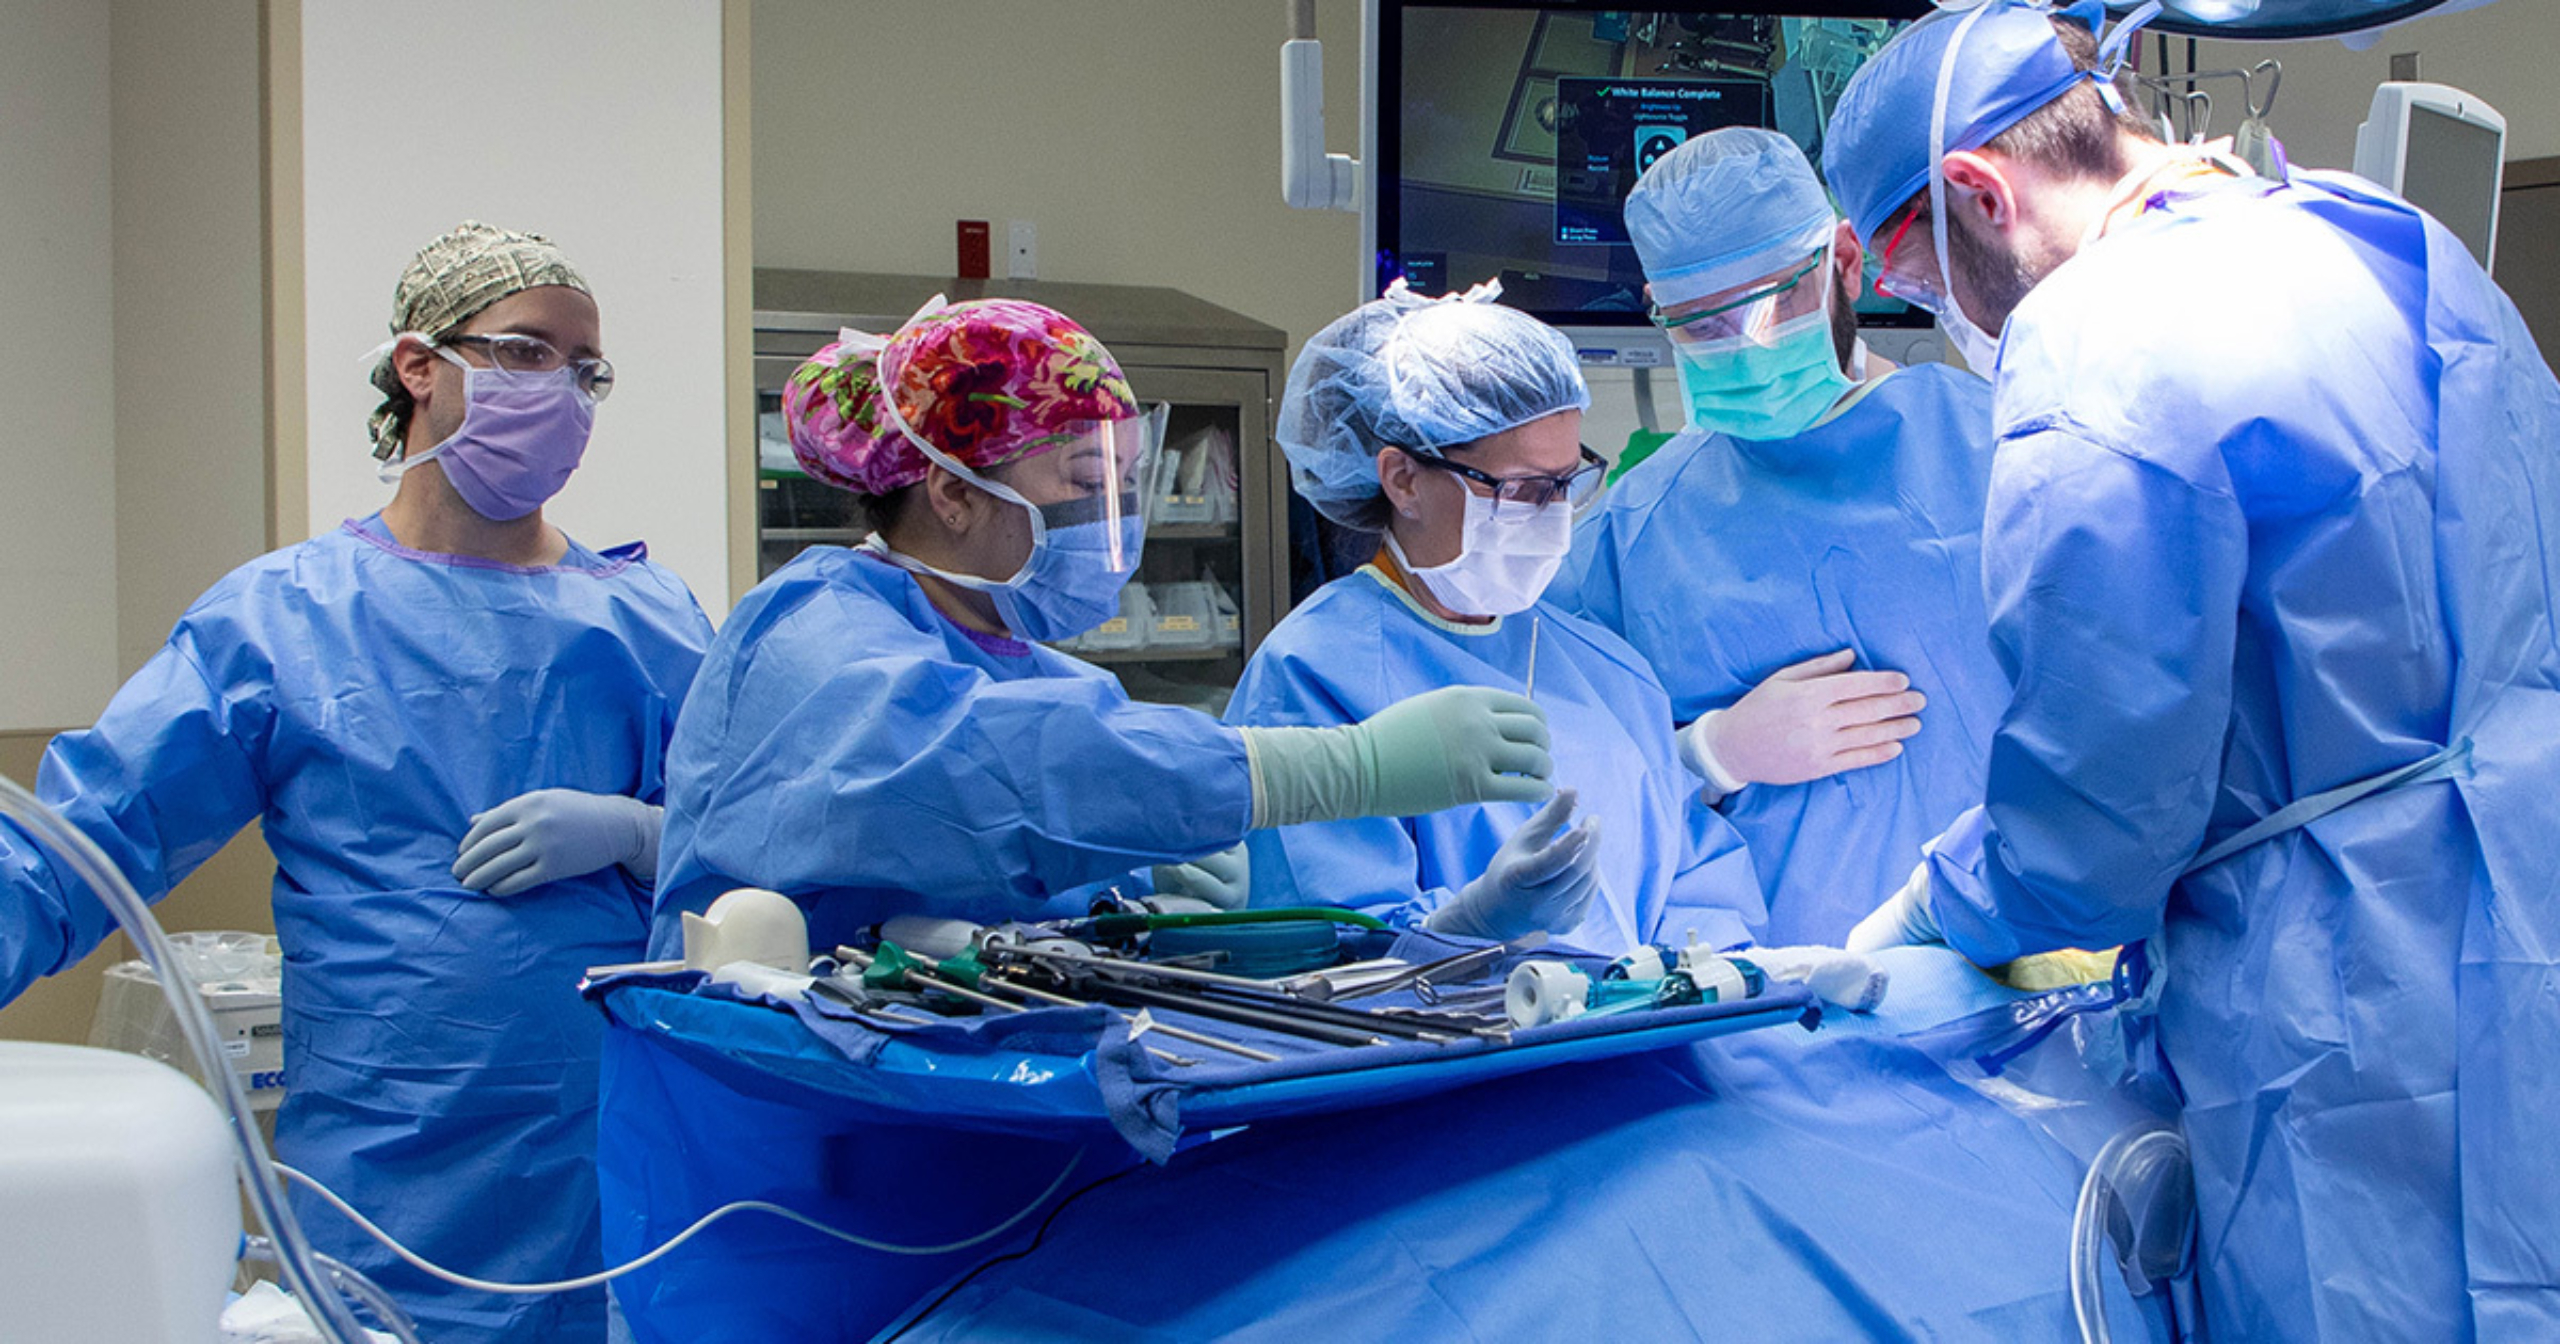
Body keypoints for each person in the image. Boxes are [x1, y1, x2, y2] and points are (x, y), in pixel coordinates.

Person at [1822, 3, 2560, 1336]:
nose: (1945, 320)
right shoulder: (2388, 239)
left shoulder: (2101, 340)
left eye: (1922, 282)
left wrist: (1950, 909)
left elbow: (2102, 807)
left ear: (1981, 193)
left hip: (2355, 999)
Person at [0, 221, 713, 1344]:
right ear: (419, 365)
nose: (564, 391)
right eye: (527, 352)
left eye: (587, 371)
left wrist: (639, 831)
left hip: (616, 1145)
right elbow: (84, 843)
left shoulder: (649, 621)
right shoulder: (284, 619)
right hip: (393, 1160)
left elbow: (757, 860)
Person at [643, 296, 1558, 959]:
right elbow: (980, 777)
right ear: (954, 492)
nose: (1114, 517)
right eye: (1086, 484)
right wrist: (1337, 769)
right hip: (790, 1130)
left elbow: (1033, 886)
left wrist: (1132, 900)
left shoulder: (1060, 681)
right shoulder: (813, 628)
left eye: (1128, 483)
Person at [1550, 126, 2005, 944]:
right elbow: (1552, 780)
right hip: (1755, 1007)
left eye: (1774, 305)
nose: (1747, 349)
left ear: (1845, 264)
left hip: (2012, 982)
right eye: (1703, 326)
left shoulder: (2005, 453)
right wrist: (1708, 756)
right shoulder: (1638, 526)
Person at [1234, 283, 1764, 951]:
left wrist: (1708, 974)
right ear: (1403, 479)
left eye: (1568, 482)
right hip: (1454, 1051)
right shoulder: (1311, 676)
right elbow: (1325, 957)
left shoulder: (1607, 672)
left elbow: (1700, 877)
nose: (1553, 516)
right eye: (1524, 490)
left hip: (1639, 1050)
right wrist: (1471, 928)